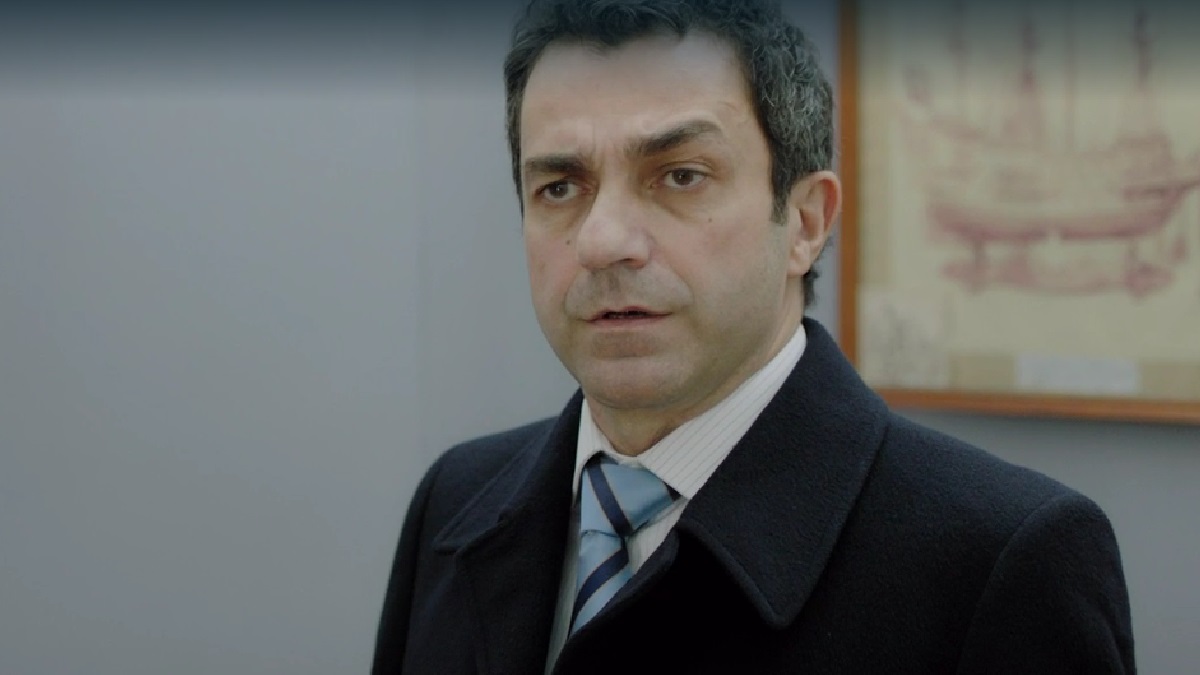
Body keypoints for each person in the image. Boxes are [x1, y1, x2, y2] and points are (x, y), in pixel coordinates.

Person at [372, 0, 1137, 672]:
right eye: (560, 187)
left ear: (805, 222)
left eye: (680, 175)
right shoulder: (457, 500)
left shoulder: (1003, 564)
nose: (602, 241)